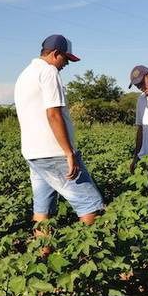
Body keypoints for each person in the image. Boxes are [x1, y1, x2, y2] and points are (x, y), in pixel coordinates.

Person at [14, 34, 103, 226]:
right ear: (55, 54)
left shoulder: (24, 75)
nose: (66, 65)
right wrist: (68, 152)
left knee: (42, 211)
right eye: (66, 59)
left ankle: (42, 255)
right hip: (54, 153)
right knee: (91, 207)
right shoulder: (48, 72)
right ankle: (91, 254)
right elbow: (53, 114)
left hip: (34, 154)